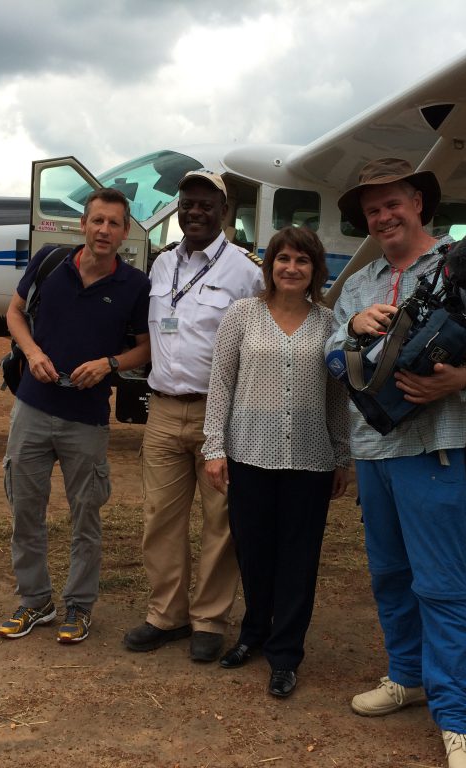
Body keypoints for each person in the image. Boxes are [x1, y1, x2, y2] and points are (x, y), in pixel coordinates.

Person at [326, 159, 466, 768]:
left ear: (418, 203)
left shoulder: (465, 266)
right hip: (374, 451)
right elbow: (333, 356)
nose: (382, 216)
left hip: (435, 448)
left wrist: (464, 378)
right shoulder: (359, 284)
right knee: (389, 575)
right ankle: (407, 677)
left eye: (392, 203)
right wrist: (352, 329)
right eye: (372, 209)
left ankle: (459, 720)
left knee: (442, 586)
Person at [0, 187, 150, 644]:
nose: (104, 230)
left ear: (125, 232)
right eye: (97, 220)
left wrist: (109, 365)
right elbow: (14, 312)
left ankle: (79, 607)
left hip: (86, 419)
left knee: (86, 516)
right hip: (32, 407)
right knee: (26, 510)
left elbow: (145, 346)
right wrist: (31, 351)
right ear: (83, 224)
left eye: (114, 223)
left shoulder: (135, 286)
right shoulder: (48, 263)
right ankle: (35, 601)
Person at [202, 226, 350, 698]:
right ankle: (253, 635)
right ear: (269, 266)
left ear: (314, 270)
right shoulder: (242, 315)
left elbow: (337, 397)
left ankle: (285, 655)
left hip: (310, 460)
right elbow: (221, 383)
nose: (291, 268)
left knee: (299, 560)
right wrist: (214, 447)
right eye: (282, 259)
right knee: (255, 553)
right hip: (249, 454)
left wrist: (342, 455)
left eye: (302, 261)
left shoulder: (329, 325)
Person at [123, 169, 264, 662]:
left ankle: (208, 619)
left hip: (217, 412)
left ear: (223, 212)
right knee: (159, 517)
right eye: (188, 204)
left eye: (206, 204)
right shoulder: (162, 266)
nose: (195, 211)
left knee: (220, 520)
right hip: (162, 409)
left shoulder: (245, 273)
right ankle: (166, 615)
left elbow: (259, 341)